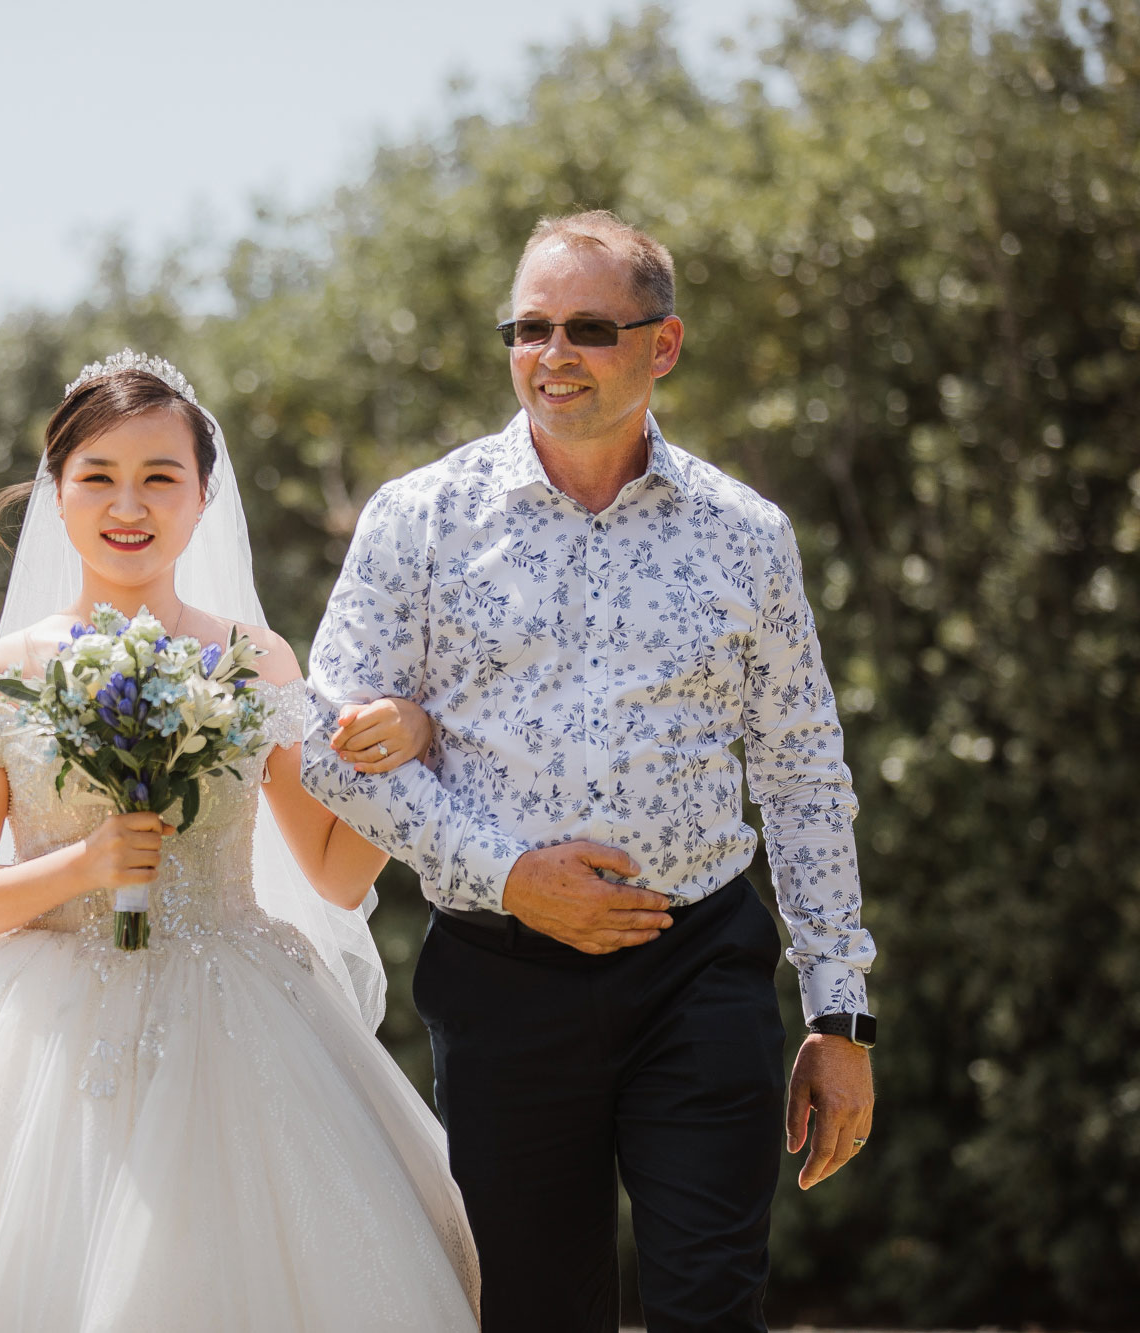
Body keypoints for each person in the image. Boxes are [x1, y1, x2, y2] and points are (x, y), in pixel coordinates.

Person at [0, 351, 481, 1332]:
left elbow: (328, 871)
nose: (129, 503)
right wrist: (82, 865)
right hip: (40, 1030)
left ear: (202, 500)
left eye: (161, 477)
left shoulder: (254, 659)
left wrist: (389, 768)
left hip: (239, 1016)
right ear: (53, 498)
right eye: (97, 477)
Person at [301, 211, 878, 1333]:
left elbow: (804, 772)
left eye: (585, 329)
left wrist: (839, 1013)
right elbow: (332, 748)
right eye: (526, 328)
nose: (549, 355)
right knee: (531, 1312)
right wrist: (507, 872)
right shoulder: (418, 520)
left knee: (711, 1303)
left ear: (660, 346)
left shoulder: (745, 535)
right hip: (496, 978)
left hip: (697, 968)